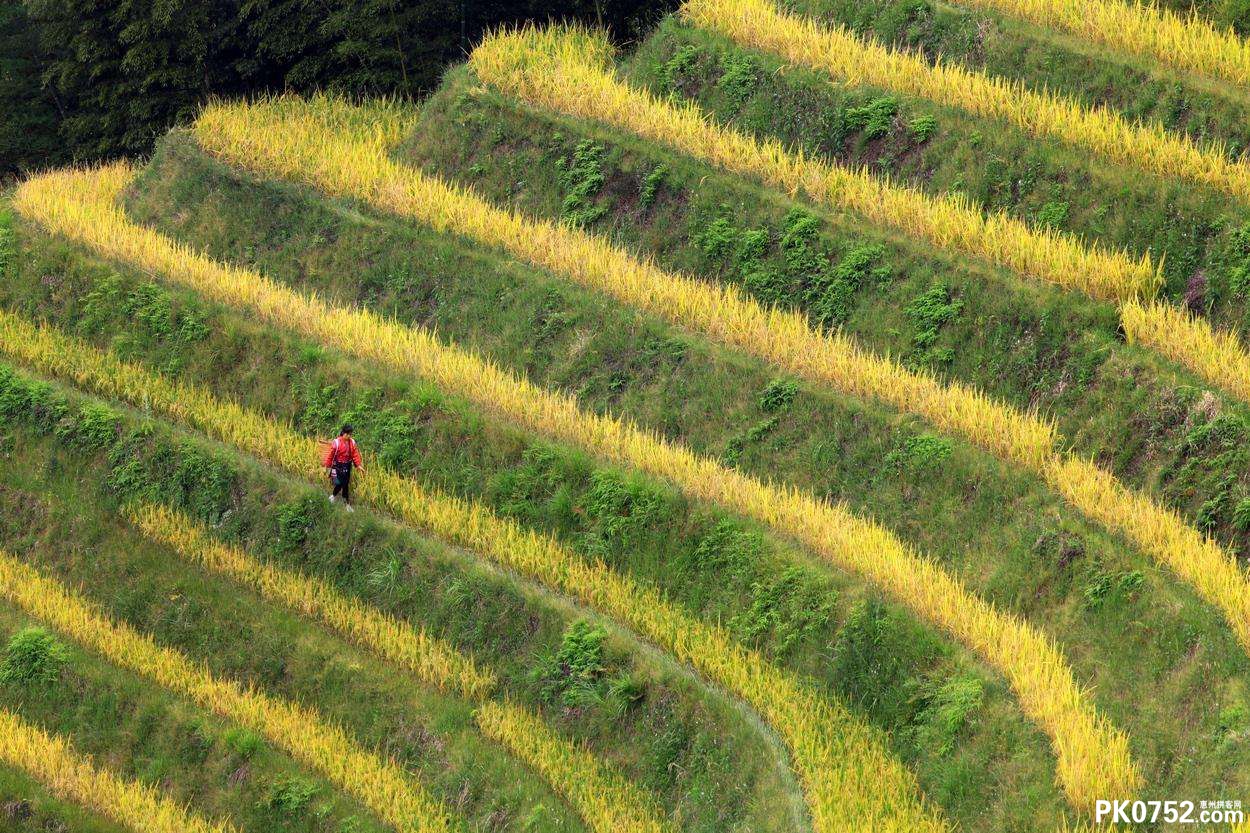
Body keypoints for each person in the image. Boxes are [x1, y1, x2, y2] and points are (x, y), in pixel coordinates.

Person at [324, 424, 364, 511]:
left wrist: (358, 465)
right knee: (339, 483)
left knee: (345, 484)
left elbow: (355, 455)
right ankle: (335, 497)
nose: (349, 436)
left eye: (350, 434)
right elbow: (331, 456)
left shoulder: (352, 442)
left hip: (347, 466)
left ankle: (345, 503)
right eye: (347, 434)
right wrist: (327, 466)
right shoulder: (337, 443)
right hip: (337, 466)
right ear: (343, 433)